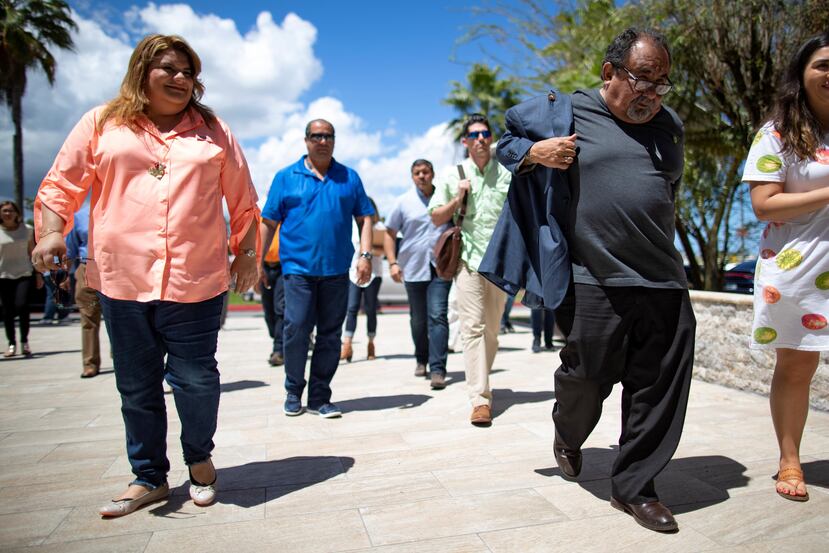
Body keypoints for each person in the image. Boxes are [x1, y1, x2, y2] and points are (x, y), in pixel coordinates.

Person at [31, 34, 260, 517]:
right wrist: (52, 231)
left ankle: (199, 460)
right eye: (169, 69)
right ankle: (149, 477)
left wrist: (246, 253)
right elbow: (62, 182)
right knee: (136, 385)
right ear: (142, 70)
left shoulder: (214, 131)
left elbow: (243, 198)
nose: (181, 79)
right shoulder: (102, 122)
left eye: (189, 72)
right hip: (121, 276)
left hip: (195, 280)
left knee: (196, 380)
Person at [491, 28, 695, 532]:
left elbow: (668, 193)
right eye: (644, 78)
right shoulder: (569, 110)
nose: (653, 93)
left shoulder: (669, 127)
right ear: (610, 73)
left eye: (662, 83)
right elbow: (506, 139)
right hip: (593, 277)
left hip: (662, 279)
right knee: (585, 378)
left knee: (657, 387)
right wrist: (535, 154)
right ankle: (568, 434)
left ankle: (635, 488)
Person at [742, 33, 829, 503]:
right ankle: (790, 461)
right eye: (823, 64)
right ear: (802, 73)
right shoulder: (776, 132)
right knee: (798, 366)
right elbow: (765, 204)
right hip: (801, 269)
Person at [260, 119, 374, 419]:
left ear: (334, 140)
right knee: (296, 327)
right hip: (297, 270)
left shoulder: (349, 177)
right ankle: (293, 391)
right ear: (306, 140)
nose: (322, 141)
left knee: (330, 335)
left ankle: (320, 397)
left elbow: (365, 218)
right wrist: (258, 260)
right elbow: (269, 222)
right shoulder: (286, 177)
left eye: (328, 136)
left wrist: (365, 255)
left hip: (336, 271)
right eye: (316, 136)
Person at [428, 114, 511, 425]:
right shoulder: (454, 174)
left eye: (485, 133)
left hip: (500, 264)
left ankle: (481, 379)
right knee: (471, 329)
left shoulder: (506, 174)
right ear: (465, 142)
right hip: (468, 262)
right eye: (473, 135)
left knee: (491, 330)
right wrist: (457, 198)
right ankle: (480, 399)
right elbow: (436, 217)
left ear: (490, 138)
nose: (480, 139)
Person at [384, 159, 452, 389]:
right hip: (412, 268)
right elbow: (389, 233)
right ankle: (421, 359)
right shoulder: (403, 202)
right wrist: (393, 262)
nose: (422, 176)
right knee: (418, 320)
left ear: (433, 174)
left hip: (440, 267)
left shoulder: (444, 196)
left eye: (425, 172)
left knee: (438, 315)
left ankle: (438, 369)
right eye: (417, 173)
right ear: (412, 177)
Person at [341, 197, 384, 362]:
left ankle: (371, 342)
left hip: (374, 274)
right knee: (351, 308)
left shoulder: (379, 228)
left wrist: (370, 249)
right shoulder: (352, 226)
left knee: (370, 308)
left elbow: (384, 249)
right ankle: (347, 344)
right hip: (354, 273)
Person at [65, 204, 101, 378]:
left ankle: (120, 358)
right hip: (87, 267)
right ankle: (90, 363)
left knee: (121, 319)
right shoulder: (79, 216)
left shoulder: (125, 206)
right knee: (88, 318)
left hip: (118, 268)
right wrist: (64, 274)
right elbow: (70, 248)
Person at [0, 200, 39, 357]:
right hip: (3, 275)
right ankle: (11, 343)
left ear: (17, 213)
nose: (8, 213)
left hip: (24, 273)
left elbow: (32, 252)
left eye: (11, 210)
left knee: (22, 305)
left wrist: (38, 274)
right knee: (7, 311)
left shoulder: (27, 230)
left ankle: (24, 341)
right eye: (4, 211)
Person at [260, 222, 285, 366]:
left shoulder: (286, 211)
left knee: (280, 307)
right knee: (268, 310)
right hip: (265, 265)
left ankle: (279, 349)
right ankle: (278, 337)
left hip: (283, 265)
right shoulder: (261, 214)